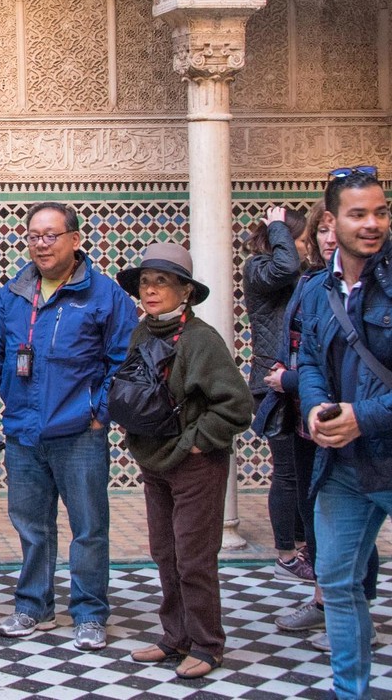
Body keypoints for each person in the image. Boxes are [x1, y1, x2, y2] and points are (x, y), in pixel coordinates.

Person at [0, 201, 137, 650]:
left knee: (88, 528)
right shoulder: (12, 295)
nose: (41, 244)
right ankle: (33, 607)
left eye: (51, 235)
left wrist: (99, 413)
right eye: (34, 236)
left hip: (80, 433)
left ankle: (89, 613)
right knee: (32, 526)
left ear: (75, 240)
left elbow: (122, 363)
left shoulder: (104, 296)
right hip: (23, 432)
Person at [116, 243, 252, 679]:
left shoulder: (200, 340)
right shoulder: (144, 332)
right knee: (165, 553)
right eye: (145, 282)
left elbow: (237, 406)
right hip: (155, 462)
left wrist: (197, 442)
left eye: (162, 282)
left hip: (195, 465)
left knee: (194, 557)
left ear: (186, 292)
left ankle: (208, 645)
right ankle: (175, 637)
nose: (151, 291)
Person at [270, 202, 382, 649]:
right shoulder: (313, 286)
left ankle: (354, 617)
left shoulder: (376, 289)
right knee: (321, 525)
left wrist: (290, 380)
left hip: (364, 427)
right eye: (322, 231)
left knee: (355, 530)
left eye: (337, 229)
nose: (330, 239)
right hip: (311, 421)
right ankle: (329, 607)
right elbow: (308, 352)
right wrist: (305, 394)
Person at [298, 166, 392, 700]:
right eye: (359, 214)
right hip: (344, 466)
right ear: (331, 221)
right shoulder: (317, 290)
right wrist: (316, 408)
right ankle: (350, 692)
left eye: (380, 212)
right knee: (335, 580)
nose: (373, 223)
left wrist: (366, 416)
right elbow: (309, 358)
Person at [243, 205, 312, 580]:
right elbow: (284, 266)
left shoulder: (299, 275)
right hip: (270, 384)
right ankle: (286, 554)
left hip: (296, 383)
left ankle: (303, 548)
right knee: (286, 472)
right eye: (300, 240)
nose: (304, 248)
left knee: (303, 471)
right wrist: (279, 227)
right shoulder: (260, 269)